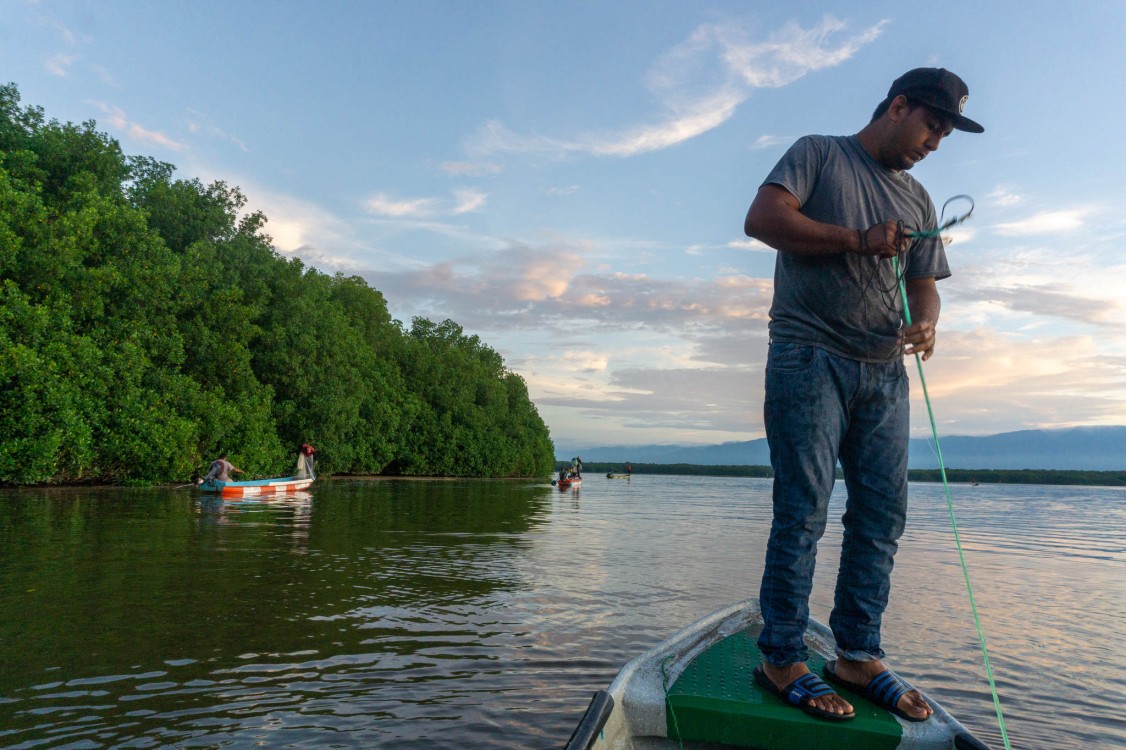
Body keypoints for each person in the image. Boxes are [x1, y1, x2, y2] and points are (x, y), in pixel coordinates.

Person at [743, 68, 983, 723]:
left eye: (946, 133)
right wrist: (857, 238)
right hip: (807, 355)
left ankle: (856, 654)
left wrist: (927, 321)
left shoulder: (920, 199)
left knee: (881, 517)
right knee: (804, 510)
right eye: (932, 125)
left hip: (883, 372)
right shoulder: (819, 154)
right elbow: (762, 218)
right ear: (898, 106)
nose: (936, 141)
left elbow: (925, 279)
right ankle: (783, 656)